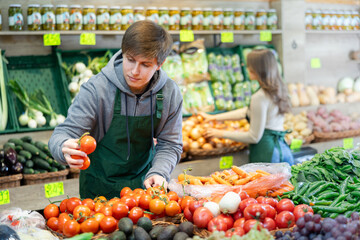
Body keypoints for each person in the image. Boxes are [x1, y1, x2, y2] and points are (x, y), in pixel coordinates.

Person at [49, 20, 183, 199]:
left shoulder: (169, 93)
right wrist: (62, 148)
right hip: (98, 189)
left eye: (145, 64)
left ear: (160, 64)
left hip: (144, 188)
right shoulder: (97, 89)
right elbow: (63, 133)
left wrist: (159, 172)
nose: (134, 71)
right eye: (130, 60)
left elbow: (170, 144)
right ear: (123, 53)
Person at [200, 49, 294, 165]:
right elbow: (249, 112)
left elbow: (254, 137)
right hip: (282, 148)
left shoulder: (259, 96)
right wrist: (214, 118)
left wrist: (220, 133)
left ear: (255, 69)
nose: (245, 66)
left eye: (248, 64)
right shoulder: (278, 89)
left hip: (267, 153)